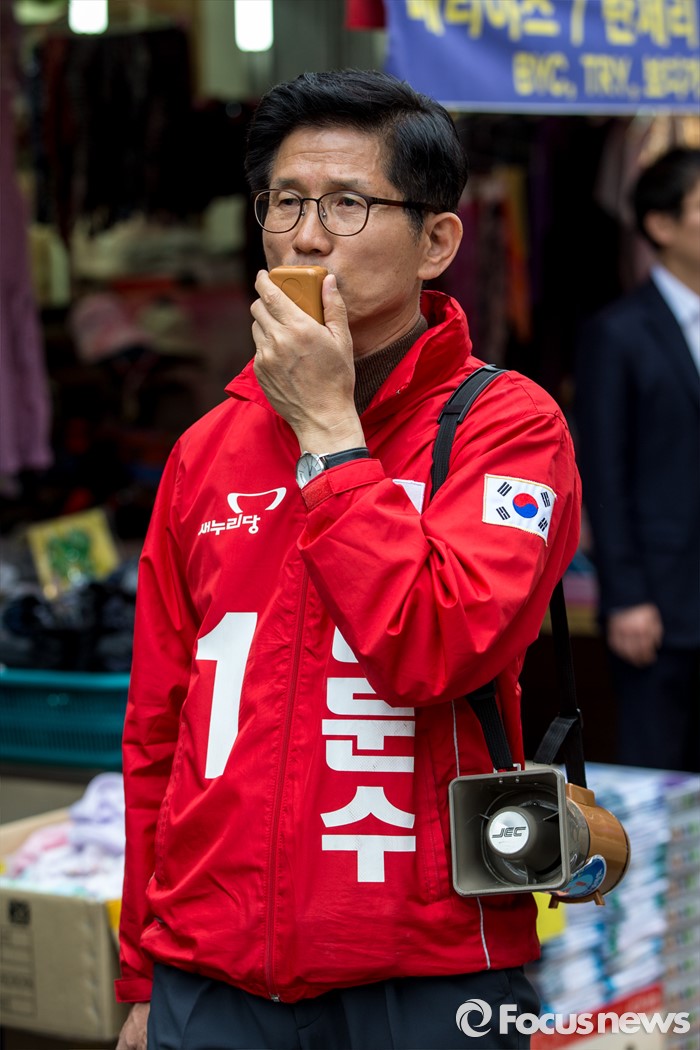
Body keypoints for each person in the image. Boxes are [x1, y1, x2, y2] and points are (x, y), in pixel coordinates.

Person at [116, 69, 580, 1050]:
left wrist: (329, 434)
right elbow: (158, 728)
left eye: (347, 204)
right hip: (211, 965)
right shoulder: (206, 448)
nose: (306, 236)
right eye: (285, 202)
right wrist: (141, 968)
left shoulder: (507, 427)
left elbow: (438, 648)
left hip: (425, 966)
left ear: (437, 242)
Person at [575, 147, 700, 773]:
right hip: (660, 603)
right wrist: (625, 596)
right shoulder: (618, 333)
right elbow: (605, 473)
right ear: (661, 225)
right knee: (660, 771)